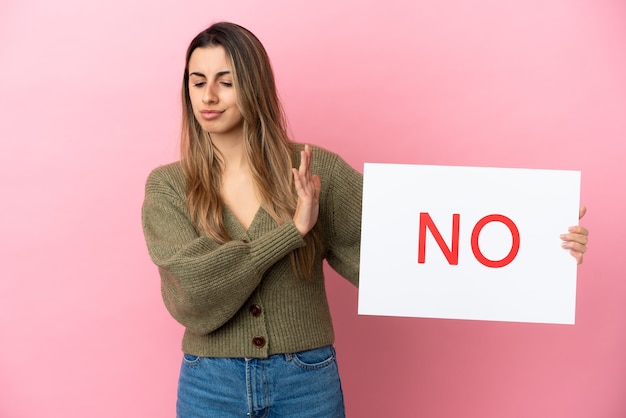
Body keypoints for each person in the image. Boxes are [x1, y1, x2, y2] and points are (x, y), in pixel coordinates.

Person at [141, 22, 589, 418]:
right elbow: (194, 292)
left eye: (226, 81)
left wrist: (540, 240)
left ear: (254, 86)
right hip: (210, 384)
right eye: (197, 82)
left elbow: (408, 244)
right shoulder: (168, 187)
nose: (209, 97)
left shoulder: (317, 171)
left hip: (305, 381)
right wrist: (291, 233)